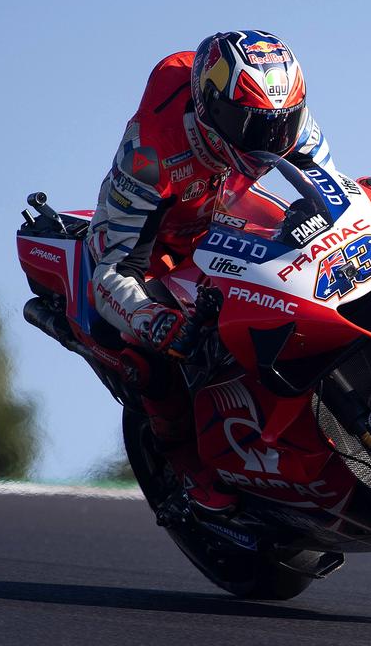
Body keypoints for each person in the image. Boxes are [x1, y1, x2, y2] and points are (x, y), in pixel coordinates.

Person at [85, 30, 336, 515]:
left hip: (232, 217)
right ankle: (185, 469)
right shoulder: (151, 152)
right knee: (148, 351)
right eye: (252, 127)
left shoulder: (290, 119)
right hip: (158, 245)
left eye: (279, 126)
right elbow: (111, 271)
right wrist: (149, 318)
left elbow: (328, 191)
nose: (271, 141)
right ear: (210, 109)